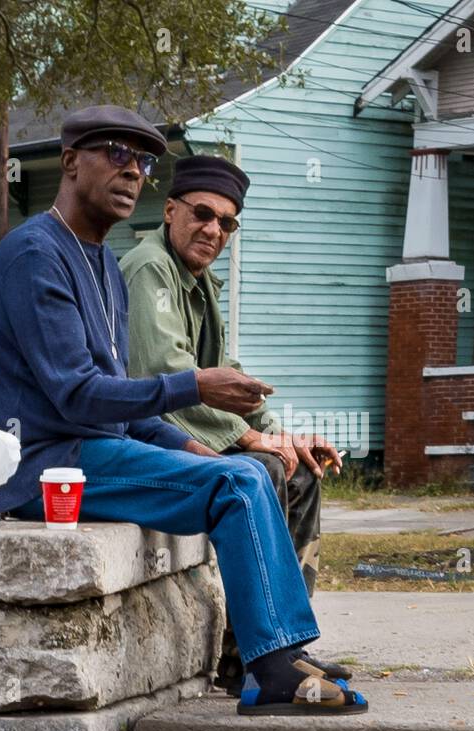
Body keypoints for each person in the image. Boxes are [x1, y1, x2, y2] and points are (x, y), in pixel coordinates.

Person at [0, 105, 366, 715]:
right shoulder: (34, 256)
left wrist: (193, 449)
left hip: (87, 453)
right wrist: (196, 387)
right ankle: (269, 669)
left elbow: (121, 408)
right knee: (237, 483)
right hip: (40, 468)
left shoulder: (102, 263)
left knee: (247, 473)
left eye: (145, 161)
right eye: (117, 154)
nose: (133, 172)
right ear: (71, 161)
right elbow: (79, 395)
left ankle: (282, 655)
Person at [121, 154, 348, 697]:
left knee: (300, 470)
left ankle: (278, 645)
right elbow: (166, 374)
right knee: (261, 468)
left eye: (227, 222)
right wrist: (251, 439)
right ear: (171, 209)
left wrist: (285, 434)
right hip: (148, 437)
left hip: (190, 432)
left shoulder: (200, 284)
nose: (214, 229)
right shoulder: (150, 268)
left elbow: (230, 379)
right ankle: (256, 651)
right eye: (203, 214)